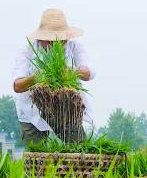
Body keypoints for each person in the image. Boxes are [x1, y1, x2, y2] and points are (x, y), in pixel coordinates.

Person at [12, 8, 95, 145]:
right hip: (31, 111)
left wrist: (71, 71)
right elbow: (17, 85)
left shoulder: (74, 47)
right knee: (37, 158)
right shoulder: (27, 51)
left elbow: (90, 72)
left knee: (79, 148)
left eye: (60, 39)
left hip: (66, 109)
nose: (55, 44)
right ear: (41, 38)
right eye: (50, 40)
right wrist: (37, 77)